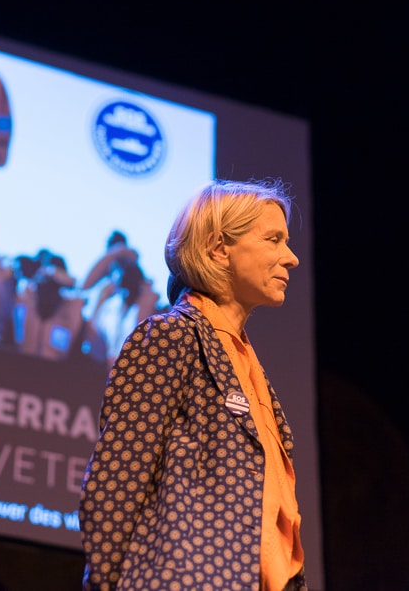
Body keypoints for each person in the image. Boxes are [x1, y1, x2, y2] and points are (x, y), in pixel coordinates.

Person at [80, 179, 308, 591]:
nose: (290, 258)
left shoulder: (250, 369)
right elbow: (115, 485)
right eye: (273, 239)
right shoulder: (171, 336)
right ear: (219, 248)